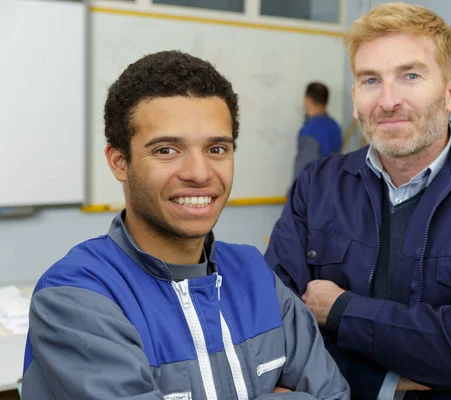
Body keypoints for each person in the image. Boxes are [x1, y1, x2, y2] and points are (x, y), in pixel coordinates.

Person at [264, 3, 451, 400]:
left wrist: (338, 309)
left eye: (411, 76)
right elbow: (271, 336)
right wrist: (385, 377)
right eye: (370, 80)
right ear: (354, 98)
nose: (388, 101)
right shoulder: (316, 186)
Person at [22, 51, 349, 400]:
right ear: (119, 162)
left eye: (217, 149)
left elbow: (334, 394)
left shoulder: (256, 275)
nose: (199, 173)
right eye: (166, 150)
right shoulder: (77, 296)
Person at [292, 82, 342, 181]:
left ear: (307, 99)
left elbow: (303, 171)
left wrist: (293, 194)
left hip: (313, 192)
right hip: (331, 188)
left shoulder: (310, 130)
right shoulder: (335, 126)